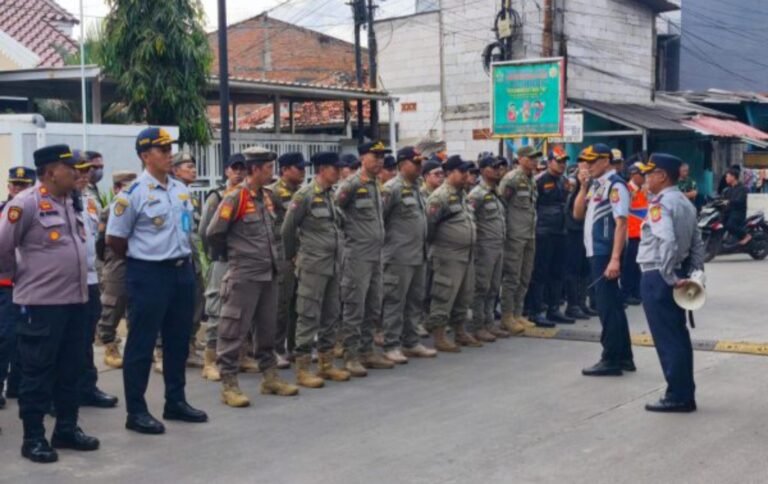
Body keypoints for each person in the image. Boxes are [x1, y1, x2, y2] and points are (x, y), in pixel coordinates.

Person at [0, 145, 99, 463]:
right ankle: (34, 438)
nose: (76, 172)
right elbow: (3, 246)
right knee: (37, 372)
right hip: (41, 304)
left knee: (71, 369)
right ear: (50, 171)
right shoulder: (25, 204)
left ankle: (66, 430)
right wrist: (19, 278)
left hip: (75, 301)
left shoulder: (72, 202)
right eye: (69, 167)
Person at [106, 127, 207, 434]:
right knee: (141, 342)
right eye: (161, 151)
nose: (168, 155)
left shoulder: (180, 189)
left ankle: (175, 401)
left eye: (169, 149)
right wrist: (145, 259)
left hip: (181, 271)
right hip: (149, 273)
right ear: (145, 156)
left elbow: (186, 228)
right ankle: (136, 411)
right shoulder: (131, 195)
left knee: (177, 340)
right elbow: (115, 239)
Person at [206, 146, 299, 407]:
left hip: (268, 273)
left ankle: (270, 377)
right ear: (255, 169)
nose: (272, 172)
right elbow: (214, 233)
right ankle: (229, 385)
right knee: (233, 331)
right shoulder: (235, 197)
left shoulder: (266, 197)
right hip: (243, 275)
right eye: (268, 168)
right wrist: (236, 255)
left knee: (267, 329)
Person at [637, 153, 705, 412]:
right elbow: (697, 243)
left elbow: (666, 240)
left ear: (662, 175)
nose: (645, 179)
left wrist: (669, 277)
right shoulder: (684, 203)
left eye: (648, 174)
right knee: (678, 335)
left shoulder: (660, 204)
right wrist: (696, 274)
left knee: (667, 337)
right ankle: (684, 392)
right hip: (678, 273)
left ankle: (678, 396)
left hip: (658, 275)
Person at [282, 151, 352, 387]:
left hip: (333, 264)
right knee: (308, 315)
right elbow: (287, 229)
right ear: (322, 169)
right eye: (335, 168)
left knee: (331, 314)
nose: (340, 172)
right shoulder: (305, 195)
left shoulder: (331, 194)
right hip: (313, 264)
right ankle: (302, 369)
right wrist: (293, 256)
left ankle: (326, 364)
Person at [573, 144, 634, 377]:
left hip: (606, 252)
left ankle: (610, 358)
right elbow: (578, 214)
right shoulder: (597, 185)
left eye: (592, 161)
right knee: (613, 305)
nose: (587, 166)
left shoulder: (616, 185)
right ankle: (624, 356)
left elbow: (621, 223)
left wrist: (615, 259)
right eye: (585, 162)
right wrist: (583, 186)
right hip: (595, 250)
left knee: (606, 307)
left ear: (606, 161)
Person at [335, 140, 394, 375]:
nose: (380, 160)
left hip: (375, 254)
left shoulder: (375, 184)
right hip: (356, 254)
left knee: (373, 304)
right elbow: (335, 211)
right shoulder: (351, 184)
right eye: (375, 155)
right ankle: (350, 355)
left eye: (382, 156)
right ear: (362, 158)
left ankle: (367, 350)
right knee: (354, 306)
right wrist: (346, 240)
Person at [380, 147, 438, 363]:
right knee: (395, 301)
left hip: (418, 255)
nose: (419, 166)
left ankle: (411, 341)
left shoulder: (417, 189)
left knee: (415, 301)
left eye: (420, 162)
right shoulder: (390, 189)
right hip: (398, 256)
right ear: (402, 164)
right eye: (415, 162)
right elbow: (380, 220)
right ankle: (391, 344)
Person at [74, 151, 119, 409]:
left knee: (86, 336)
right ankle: (59, 393)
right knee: (63, 340)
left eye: (88, 170)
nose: (86, 175)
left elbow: (97, 239)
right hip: (61, 283)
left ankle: (87, 386)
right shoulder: (50, 201)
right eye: (80, 171)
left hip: (90, 278)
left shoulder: (89, 201)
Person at [198, 153, 249, 381]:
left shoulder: (250, 196)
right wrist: (219, 251)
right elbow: (204, 231)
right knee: (217, 309)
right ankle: (210, 360)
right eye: (234, 168)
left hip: (243, 261)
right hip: (222, 260)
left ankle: (240, 355)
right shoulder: (217, 197)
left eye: (242, 169)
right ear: (227, 170)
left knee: (242, 310)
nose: (239, 172)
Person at [424, 155, 479, 351]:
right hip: (448, 254)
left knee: (464, 295)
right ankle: (439, 336)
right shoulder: (440, 197)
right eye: (462, 171)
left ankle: (460, 330)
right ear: (450, 173)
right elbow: (428, 227)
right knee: (444, 295)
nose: (466, 175)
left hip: (466, 254)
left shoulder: (462, 194)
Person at [266, 152, 306, 367]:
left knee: (298, 303)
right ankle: (275, 348)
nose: (303, 172)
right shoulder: (272, 193)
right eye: (298, 168)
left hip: (301, 252)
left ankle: (294, 346)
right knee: (280, 303)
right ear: (285, 170)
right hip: (282, 253)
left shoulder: (301, 192)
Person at [0, 166, 36, 408]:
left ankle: (17, 385)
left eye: (23, 185)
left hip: (32, 285)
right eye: (15, 185)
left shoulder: (38, 211)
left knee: (28, 338)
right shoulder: (4, 212)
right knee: (6, 337)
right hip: (6, 284)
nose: (18, 189)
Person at [97, 171, 138, 369]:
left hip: (136, 260)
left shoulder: (139, 206)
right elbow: (101, 241)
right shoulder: (109, 209)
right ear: (116, 189)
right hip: (116, 261)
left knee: (136, 305)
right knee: (113, 303)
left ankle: (135, 347)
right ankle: (109, 344)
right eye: (124, 186)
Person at [467, 154, 510, 341]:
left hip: (498, 245)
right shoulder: (477, 194)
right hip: (484, 247)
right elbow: (471, 220)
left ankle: (489, 322)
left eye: (500, 167)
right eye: (494, 167)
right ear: (484, 171)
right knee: (481, 287)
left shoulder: (495, 192)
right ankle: (478, 325)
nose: (499, 170)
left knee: (494, 287)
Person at [498, 146, 540, 334]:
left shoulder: (531, 179)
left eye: (535, 158)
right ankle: (507, 316)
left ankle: (517, 312)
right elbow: (502, 204)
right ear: (520, 158)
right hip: (514, 234)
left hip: (529, 233)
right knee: (512, 276)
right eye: (530, 158)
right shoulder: (512, 179)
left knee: (525, 275)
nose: (534, 161)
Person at [529, 147, 573, 327]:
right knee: (540, 273)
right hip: (543, 232)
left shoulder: (565, 181)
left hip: (561, 231)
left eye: (564, 161)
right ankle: (536, 311)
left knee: (558, 272)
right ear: (549, 162)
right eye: (558, 161)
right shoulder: (538, 181)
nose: (562, 165)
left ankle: (554, 309)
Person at [171, 152, 205, 369]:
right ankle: (162, 350)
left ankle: (189, 345)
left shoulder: (188, 195)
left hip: (192, 255)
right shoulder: (170, 194)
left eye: (194, 166)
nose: (193, 170)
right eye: (188, 166)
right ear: (175, 170)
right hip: (175, 258)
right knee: (172, 305)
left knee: (196, 301)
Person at [564, 163, 596, 320]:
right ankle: (573, 305)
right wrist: (582, 186)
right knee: (573, 268)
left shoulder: (593, 182)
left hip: (586, 229)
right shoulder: (571, 182)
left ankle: (582, 303)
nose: (587, 170)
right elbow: (569, 205)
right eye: (584, 166)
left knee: (584, 268)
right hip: (572, 229)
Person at [622, 162, 647, 306]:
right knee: (628, 266)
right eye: (642, 174)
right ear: (633, 174)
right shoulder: (626, 189)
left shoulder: (643, 190)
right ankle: (626, 293)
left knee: (638, 266)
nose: (644, 177)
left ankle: (636, 292)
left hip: (641, 234)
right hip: (630, 234)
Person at [722, 168, 750, 245]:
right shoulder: (728, 189)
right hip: (729, 211)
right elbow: (723, 199)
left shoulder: (743, 189)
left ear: (733, 177)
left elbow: (739, 201)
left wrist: (729, 202)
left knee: (730, 225)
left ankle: (745, 235)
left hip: (739, 212)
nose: (726, 178)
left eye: (727, 176)